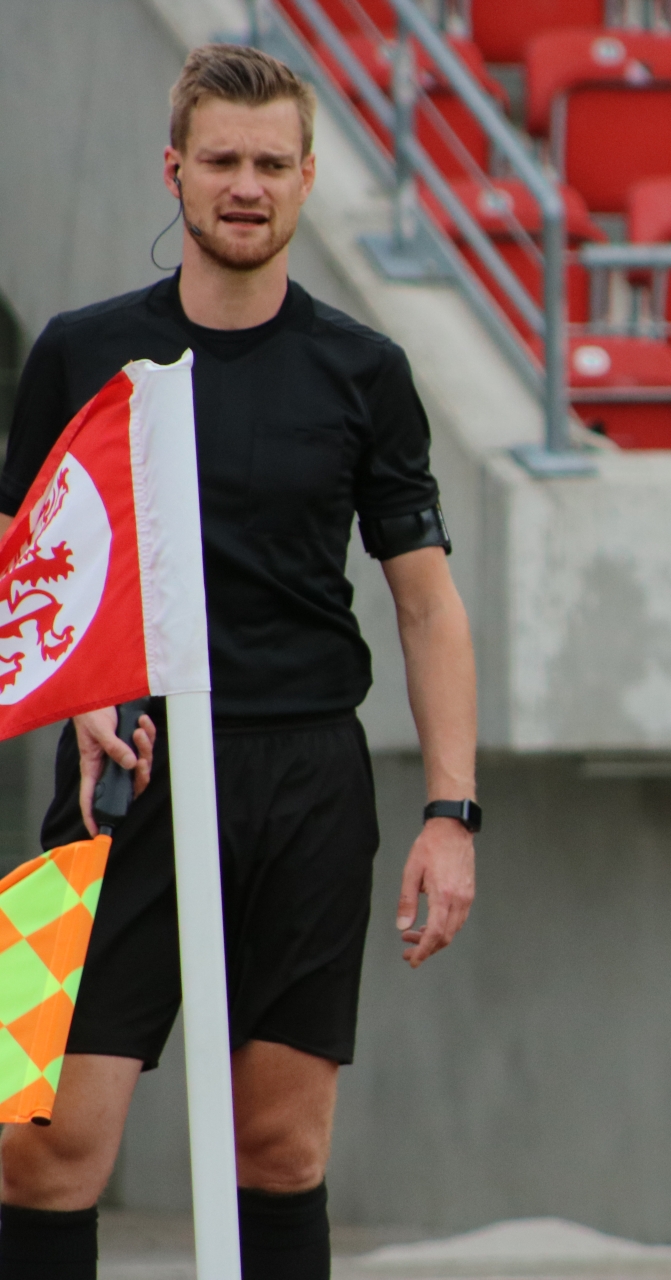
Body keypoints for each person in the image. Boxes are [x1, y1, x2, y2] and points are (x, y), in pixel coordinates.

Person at [0, 45, 479, 1280]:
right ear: (175, 169)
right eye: (222, 160)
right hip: (115, 776)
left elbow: (428, 606)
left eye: (272, 162)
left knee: (279, 1146)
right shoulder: (79, 350)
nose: (247, 185)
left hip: (306, 782)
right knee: (33, 1143)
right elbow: (20, 557)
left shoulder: (365, 369)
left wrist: (451, 812)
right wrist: (81, 682)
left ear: (309, 177)